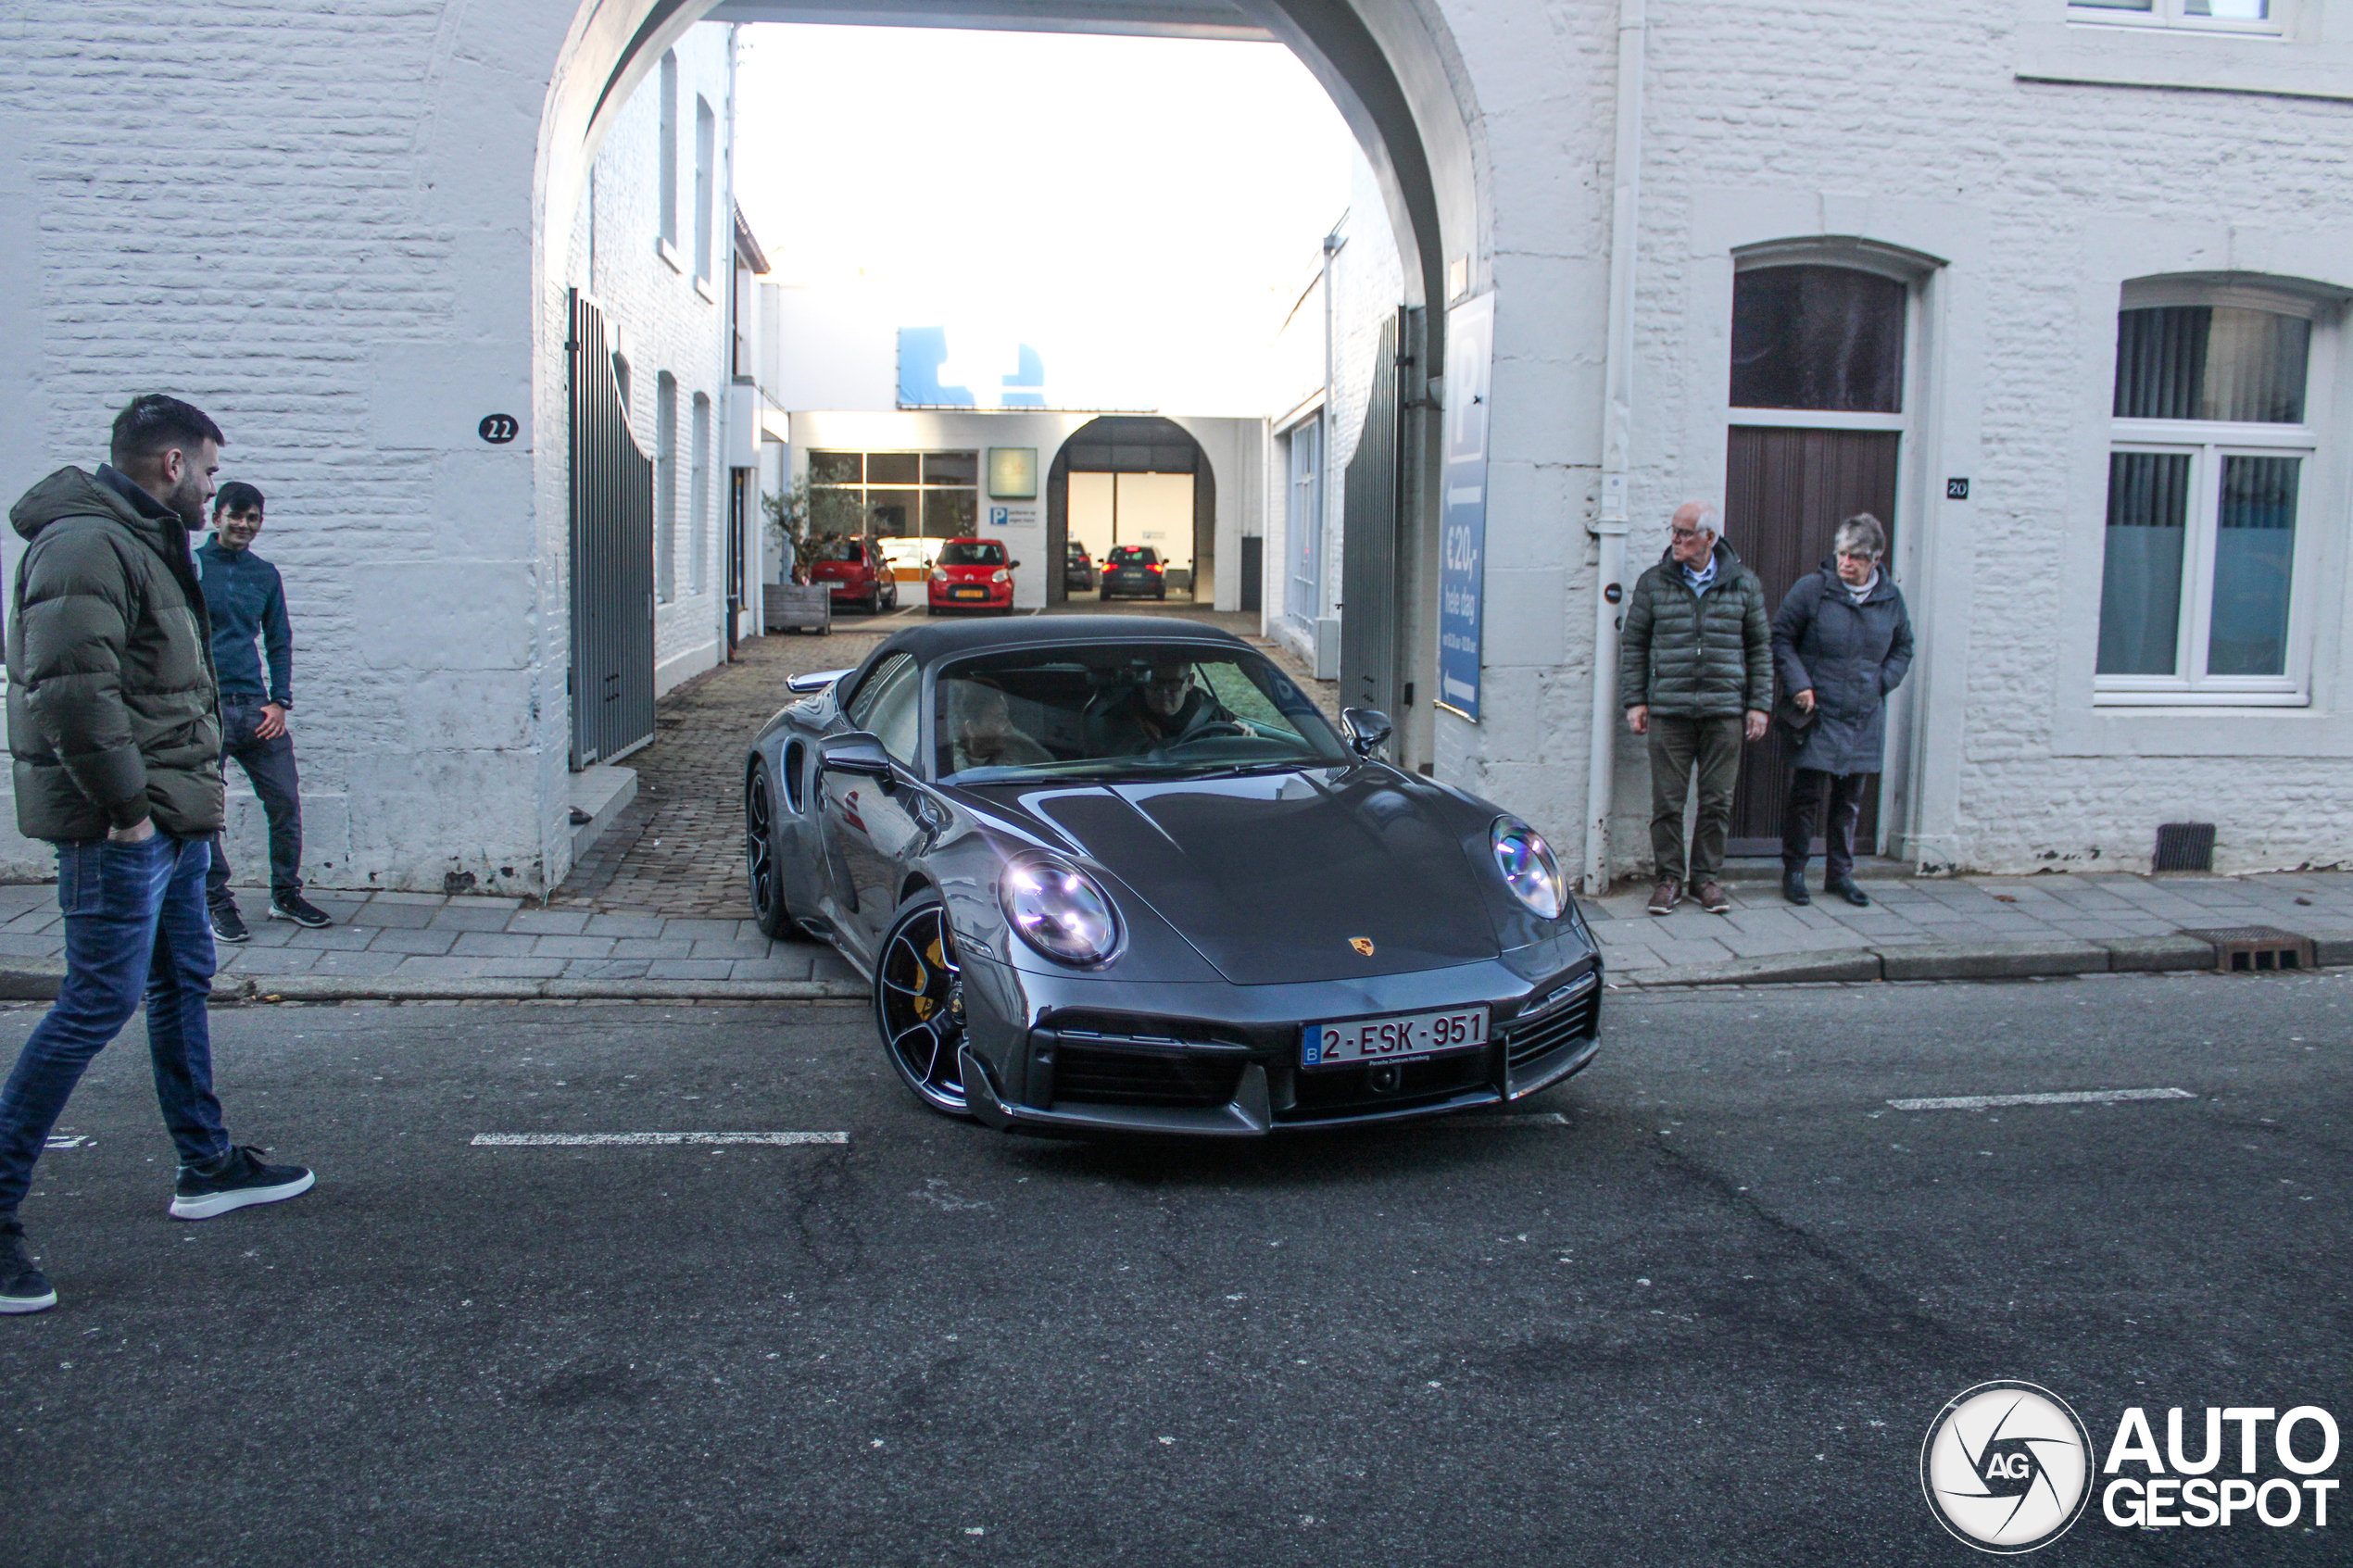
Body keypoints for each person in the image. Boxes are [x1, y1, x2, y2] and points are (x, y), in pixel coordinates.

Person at [1, 395, 314, 1318]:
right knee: (96, 1000)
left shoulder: (141, 540)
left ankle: (206, 1162)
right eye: (212, 473)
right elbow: (67, 693)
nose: (219, 489)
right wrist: (129, 813)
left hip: (173, 821)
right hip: (123, 829)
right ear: (173, 465)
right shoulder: (84, 546)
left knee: (183, 977)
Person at [1619, 501, 1771, 918]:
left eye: (1685, 533)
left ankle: (1705, 879)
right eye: (1673, 531)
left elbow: (1760, 648)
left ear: (1710, 538)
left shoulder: (1744, 585)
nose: (1676, 539)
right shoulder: (1654, 583)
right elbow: (1635, 644)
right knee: (1667, 801)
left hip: (1724, 710)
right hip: (1670, 710)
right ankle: (1669, 878)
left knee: (1717, 800)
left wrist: (1759, 705)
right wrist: (1636, 700)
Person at [197, 482, 331, 941]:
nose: (244, 525)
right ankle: (217, 903)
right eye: (236, 515)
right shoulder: (190, 568)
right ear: (217, 517)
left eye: (253, 518)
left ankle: (285, 895)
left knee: (284, 802)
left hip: (257, 711)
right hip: (204, 710)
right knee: (204, 812)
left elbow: (279, 640)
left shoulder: (265, 574)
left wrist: (280, 701)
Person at [1772, 512, 1914, 908]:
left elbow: (1904, 646)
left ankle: (1840, 874)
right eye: (1841, 553)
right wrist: (1799, 682)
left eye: (1855, 556)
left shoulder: (1890, 599)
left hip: (1863, 715)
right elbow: (1781, 637)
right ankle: (1795, 871)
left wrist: (1881, 682)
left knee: (1849, 800)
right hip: (1819, 713)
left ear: (1875, 559)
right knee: (1806, 796)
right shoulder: (1812, 590)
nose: (1845, 562)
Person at [1095, 660, 1232, 754]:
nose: (1164, 692)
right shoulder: (1121, 716)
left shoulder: (1211, 711)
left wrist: (1243, 731)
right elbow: (1135, 756)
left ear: (1189, 682)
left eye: (1173, 684)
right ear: (1145, 680)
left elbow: (1239, 735)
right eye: (1156, 683)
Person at [944, 681, 1052, 774]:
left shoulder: (1028, 757)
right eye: (999, 719)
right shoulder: (944, 767)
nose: (1010, 727)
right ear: (972, 728)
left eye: (1007, 717)